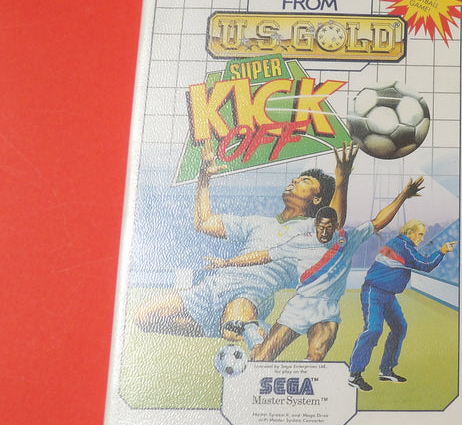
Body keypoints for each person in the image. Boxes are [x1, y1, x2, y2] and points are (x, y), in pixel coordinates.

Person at [133, 141, 355, 348]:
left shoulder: (311, 232)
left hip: (251, 295)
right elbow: (204, 222)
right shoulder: (257, 222)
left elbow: (335, 224)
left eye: (305, 181)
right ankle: (240, 328)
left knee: (234, 327)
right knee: (143, 317)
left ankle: (246, 331)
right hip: (211, 289)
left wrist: (342, 180)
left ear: (317, 199)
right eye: (296, 179)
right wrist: (204, 177)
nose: (295, 181)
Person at [205, 176, 426, 363]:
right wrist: (227, 263)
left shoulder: (348, 240)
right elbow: (263, 256)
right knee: (261, 359)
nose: (324, 232)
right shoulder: (300, 241)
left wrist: (403, 196)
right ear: (315, 226)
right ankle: (254, 330)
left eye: (329, 228)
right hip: (300, 307)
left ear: (336, 227)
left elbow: (378, 221)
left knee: (316, 357)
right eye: (320, 227)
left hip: (327, 309)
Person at [346, 220, 457, 392]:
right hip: (374, 292)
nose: (422, 238)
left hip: (388, 295)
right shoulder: (403, 246)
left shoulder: (403, 245)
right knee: (373, 329)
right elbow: (425, 265)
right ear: (409, 232)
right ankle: (354, 375)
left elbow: (417, 260)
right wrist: (442, 251)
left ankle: (386, 370)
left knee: (399, 327)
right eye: (420, 234)